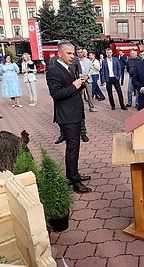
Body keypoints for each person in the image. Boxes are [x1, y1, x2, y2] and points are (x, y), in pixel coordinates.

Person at [46, 40, 92, 193]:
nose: (73, 56)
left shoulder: (71, 67)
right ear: (59, 53)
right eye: (69, 53)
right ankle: (73, 181)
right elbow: (56, 94)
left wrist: (82, 82)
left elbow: (75, 88)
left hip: (75, 113)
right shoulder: (53, 70)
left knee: (75, 146)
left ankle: (75, 174)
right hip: (66, 116)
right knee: (72, 148)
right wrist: (75, 85)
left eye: (74, 53)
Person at [77, 47, 97, 112]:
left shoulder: (88, 60)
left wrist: (88, 76)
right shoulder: (75, 61)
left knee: (89, 94)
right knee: (81, 95)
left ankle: (91, 107)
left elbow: (91, 69)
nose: (80, 54)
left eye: (81, 52)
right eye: (78, 52)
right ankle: (82, 108)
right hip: (80, 80)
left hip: (88, 79)